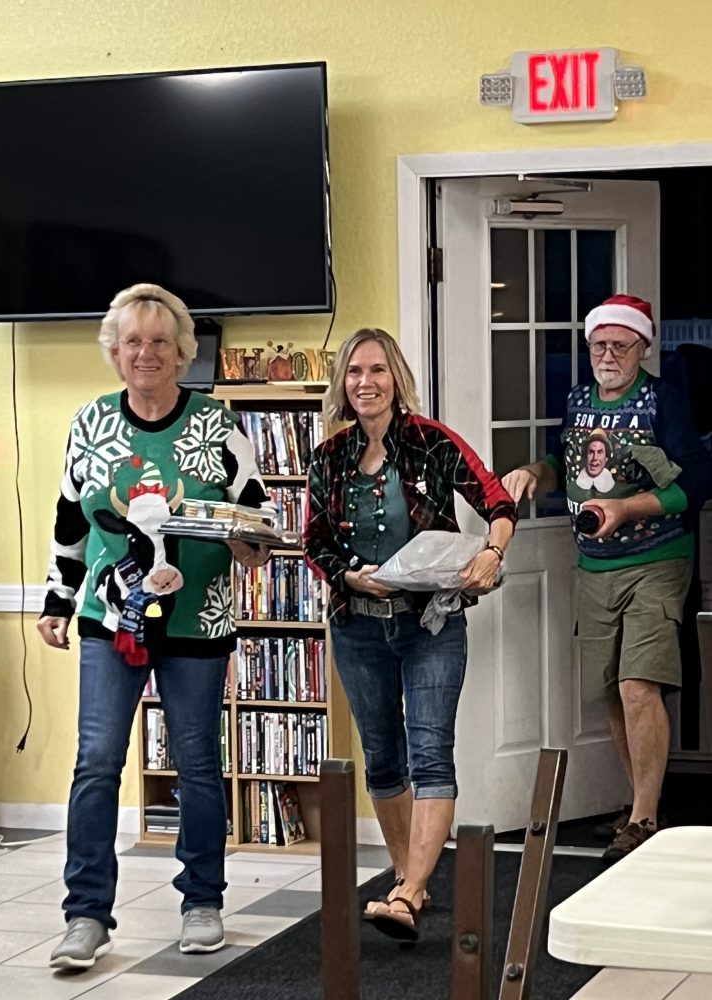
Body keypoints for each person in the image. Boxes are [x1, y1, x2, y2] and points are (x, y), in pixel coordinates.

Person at [38, 283, 272, 969]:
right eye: (133, 342)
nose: (147, 353)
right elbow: (70, 518)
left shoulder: (218, 423)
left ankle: (203, 902)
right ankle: (86, 916)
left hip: (198, 621)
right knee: (96, 762)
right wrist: (57, 600)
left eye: (161, 342)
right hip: (110, 618)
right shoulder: (89, 423)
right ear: (115, 353)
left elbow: (256, 517)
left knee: (197, 763)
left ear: (181, 353)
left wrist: (250, 543)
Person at [304, 327, 515, 941]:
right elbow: (314, 541)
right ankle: (407, 881)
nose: (365, 382)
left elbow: (498, 502)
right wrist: (349, 577)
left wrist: (493, 553)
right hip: (357, 625)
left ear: (396, 377)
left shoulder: (431, 440)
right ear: (342, 383)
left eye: (377, 370)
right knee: (382, 755)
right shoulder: (328, 456)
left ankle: (410, 890)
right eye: (353, 372)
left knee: (430, 750)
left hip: (431, 623)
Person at [502, 294, 712, 862]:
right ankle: (644, 803)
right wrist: (535, 472)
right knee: (613, 694)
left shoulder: (662, 400)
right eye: (599, 345)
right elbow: (563, 462)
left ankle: (643, 817)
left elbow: (696, 480)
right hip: (594, 566)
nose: (609, 355)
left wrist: (627, 508)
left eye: (621, 345)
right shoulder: (577, 400)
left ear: (643, 347)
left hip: (657, 559)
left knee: (639, 685)